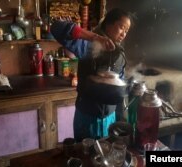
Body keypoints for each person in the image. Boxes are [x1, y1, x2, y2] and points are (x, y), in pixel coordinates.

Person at [51, 8, 133, 142]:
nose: (123, 33)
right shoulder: (87, 45)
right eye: (121, 27)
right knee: (86, 156)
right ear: (108, 24)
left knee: (106, 156)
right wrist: (95, 37)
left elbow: (120, 88)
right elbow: (56, 28)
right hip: (87, 117)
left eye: (126, 31)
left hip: (110, 118)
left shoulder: (120, 54)